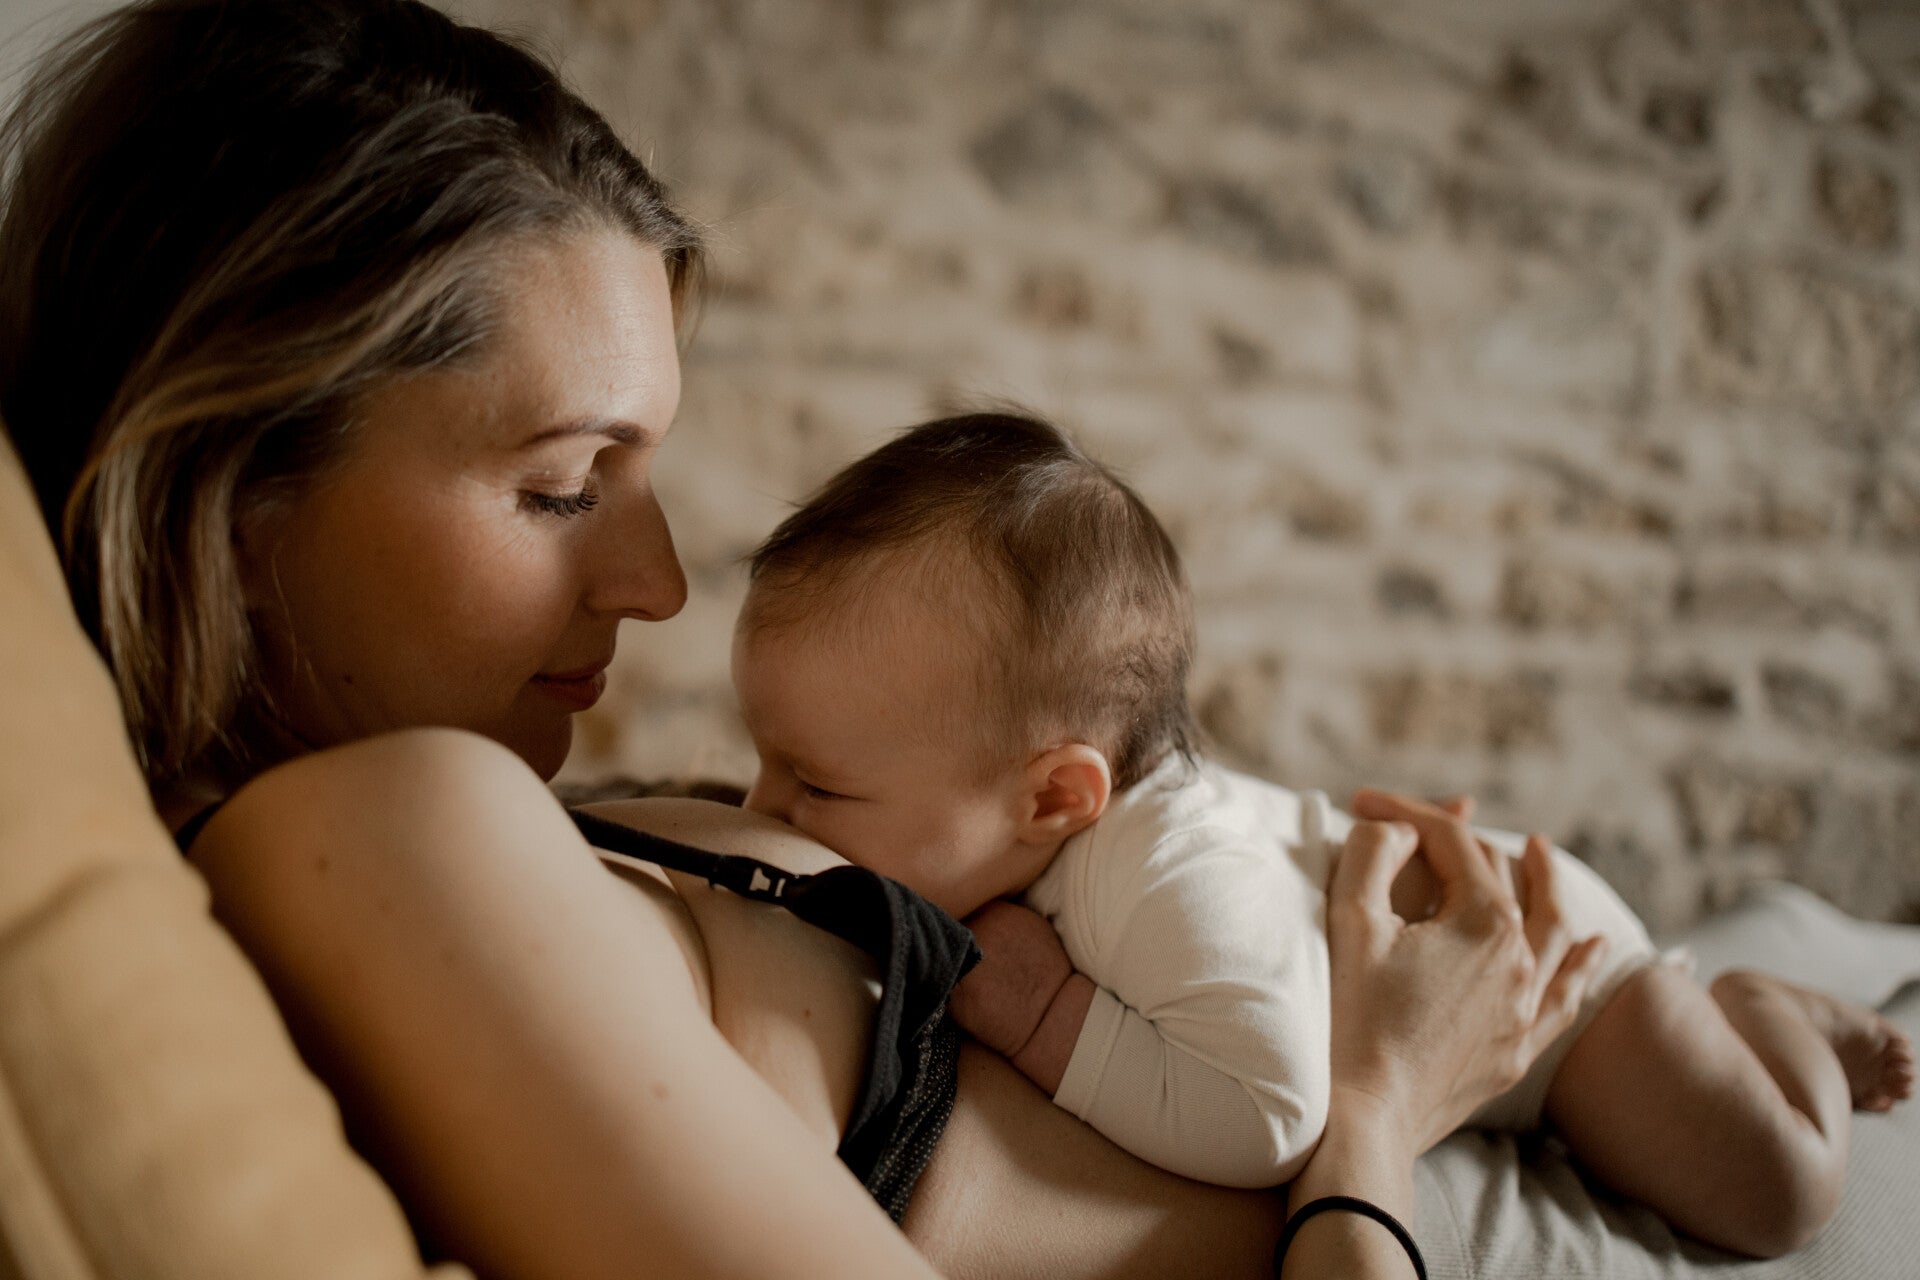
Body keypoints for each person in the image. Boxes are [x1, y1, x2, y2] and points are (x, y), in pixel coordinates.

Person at [0, 2, 1619, 1276]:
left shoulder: (481, 821)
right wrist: (1387, 1104)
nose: (657, 583)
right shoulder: (374, 839)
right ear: (233, 496)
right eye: (564, 485)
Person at [730, 411, 1916, 1255]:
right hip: (1466, 963)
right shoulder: (1047, 840)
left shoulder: (1161, 879)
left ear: (1054, 796)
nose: (761, 807)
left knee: (1780, 1188)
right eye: (765, 757)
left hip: (1570, 989)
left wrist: (1054, 1023)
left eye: (814, 784)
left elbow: (1274, 1111)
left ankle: (1771, 1010)